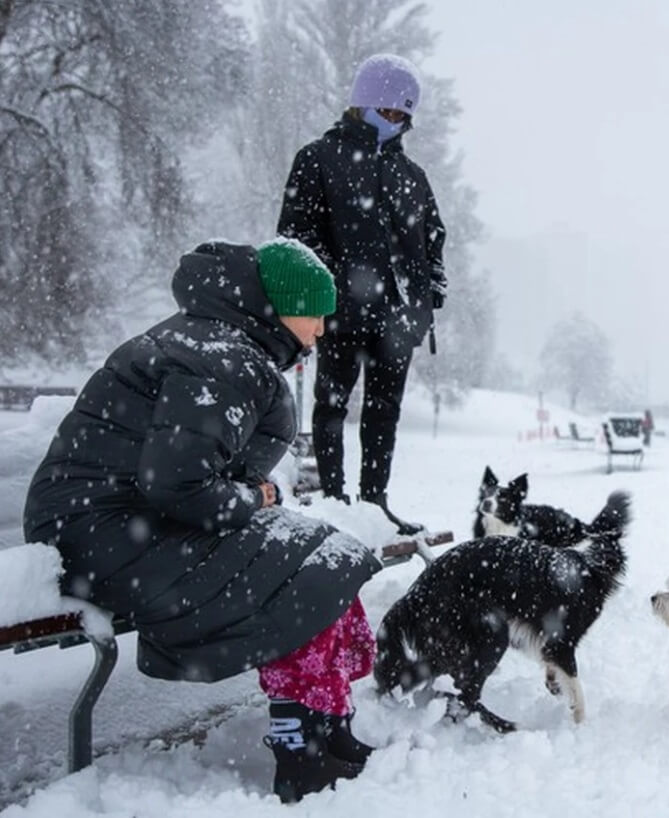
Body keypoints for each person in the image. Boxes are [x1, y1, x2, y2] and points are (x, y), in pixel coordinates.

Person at [23, 239, 383, 803]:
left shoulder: (220, 342)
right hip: (102, 537)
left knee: (323, 557)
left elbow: (185, 478)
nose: (319, 328)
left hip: (121, 527)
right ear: (281, 307)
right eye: (313, 312)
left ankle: (328, 726)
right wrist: (255, 499)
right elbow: (178, 484)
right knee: (303, 572)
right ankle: (301, 751)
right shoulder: (220, 355)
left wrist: (250, 497)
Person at [277, 53, 446, 535]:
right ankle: (334, 500)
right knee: (331, 406)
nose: (393, 121)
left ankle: (374, 506)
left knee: (383, 412)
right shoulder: (318, 158)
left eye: (401, 115)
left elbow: (434, 238)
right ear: (361, 105)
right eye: (385, 110)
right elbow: (296, 236)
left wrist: (430, 292)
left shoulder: (412, 176)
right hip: (339, 314)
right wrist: (321, 295)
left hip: (398, 319)